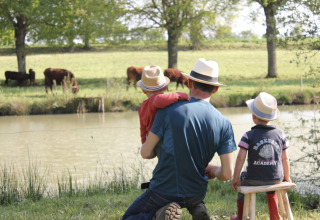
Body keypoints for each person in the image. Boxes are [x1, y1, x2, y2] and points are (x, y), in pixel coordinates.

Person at [122, 58, 237, 220]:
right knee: (193, 197)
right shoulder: (224, 123)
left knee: (130, 216)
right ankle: (197, 206)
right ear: (216, 89)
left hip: (163, 191)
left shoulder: (167, 111)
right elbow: (227, 174)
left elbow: (146, 153)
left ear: (189, 83)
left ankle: (157, 215)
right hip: (196, 193)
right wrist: (214, 170)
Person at [230, 92, 291, 220]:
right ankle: (274, 215)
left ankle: (240, 217)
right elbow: (285, 158)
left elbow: (240, 158)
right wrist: (287, 177)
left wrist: (236, 178)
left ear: (253, 116)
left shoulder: (248, 136)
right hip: (276, 178)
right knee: (270, 179)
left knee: (243, 180)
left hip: (252, 179)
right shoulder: (280, 135)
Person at [137, 65, 189, 158]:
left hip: (151, 141)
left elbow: (142, 129)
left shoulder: (142, 107)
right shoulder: (156, 100)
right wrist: (181, 95)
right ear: (165, 88)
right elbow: (163, 99)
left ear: (143, 90)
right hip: (161, 139)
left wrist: (145, 144)